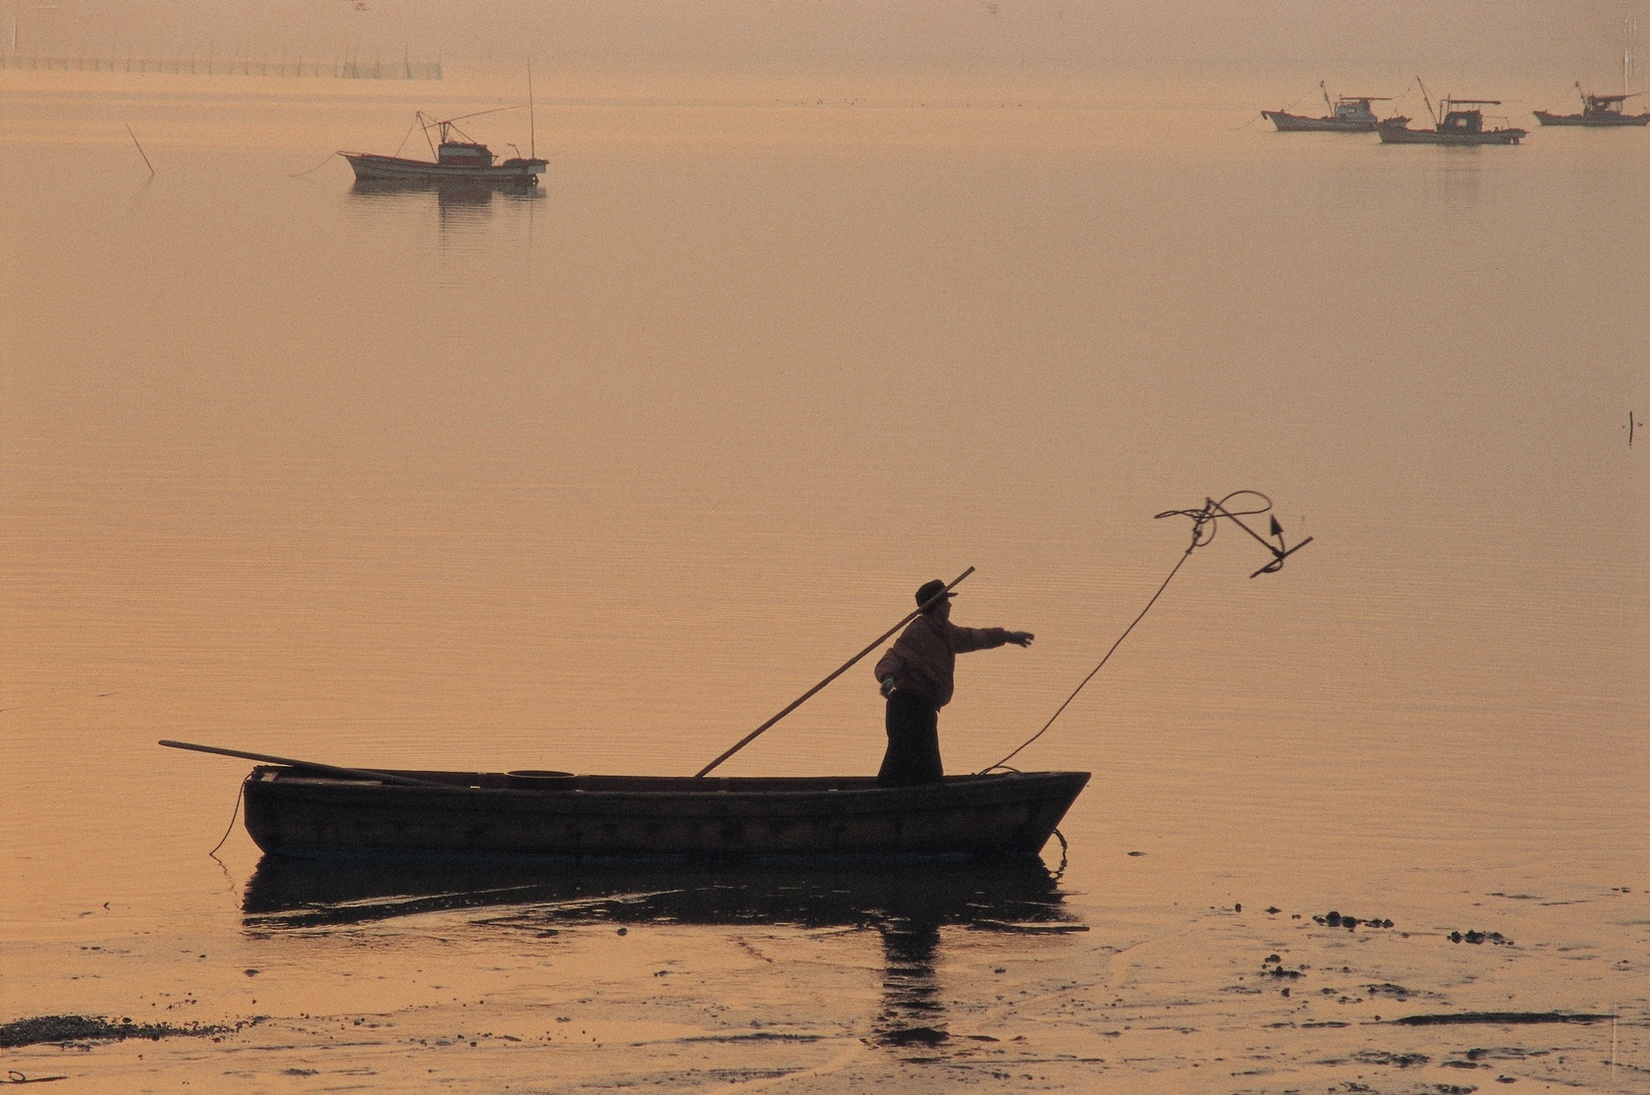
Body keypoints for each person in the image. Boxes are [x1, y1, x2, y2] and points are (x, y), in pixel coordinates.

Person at [872, 579, 1034, 786]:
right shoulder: (918, 631)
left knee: (922, 767)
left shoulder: (946, 632)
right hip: (907, 707)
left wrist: (1008, 636)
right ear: (937, 606)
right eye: (946, 601)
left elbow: (975, 637)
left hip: (923, 708)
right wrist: (888, 678)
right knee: (905, 763)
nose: (950, 605)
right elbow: (894, 657)